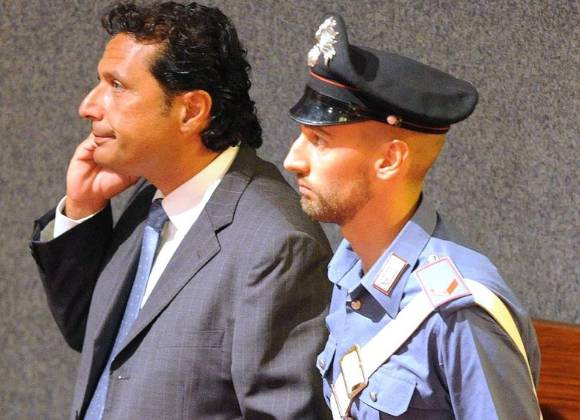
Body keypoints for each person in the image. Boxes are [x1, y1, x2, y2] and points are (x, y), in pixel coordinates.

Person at [29, 3, 332, 419]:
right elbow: (100, 340)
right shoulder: (151, 199)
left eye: (117, 86)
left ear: (191, 111)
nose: (88, 106)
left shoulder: (277, 245)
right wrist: (83, 208)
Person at [284, 14, 542, 420]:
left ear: (389, 160)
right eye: (301, 136)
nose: (292, 160)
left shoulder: (458, 312)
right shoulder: (350, 268)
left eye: (319, 140)